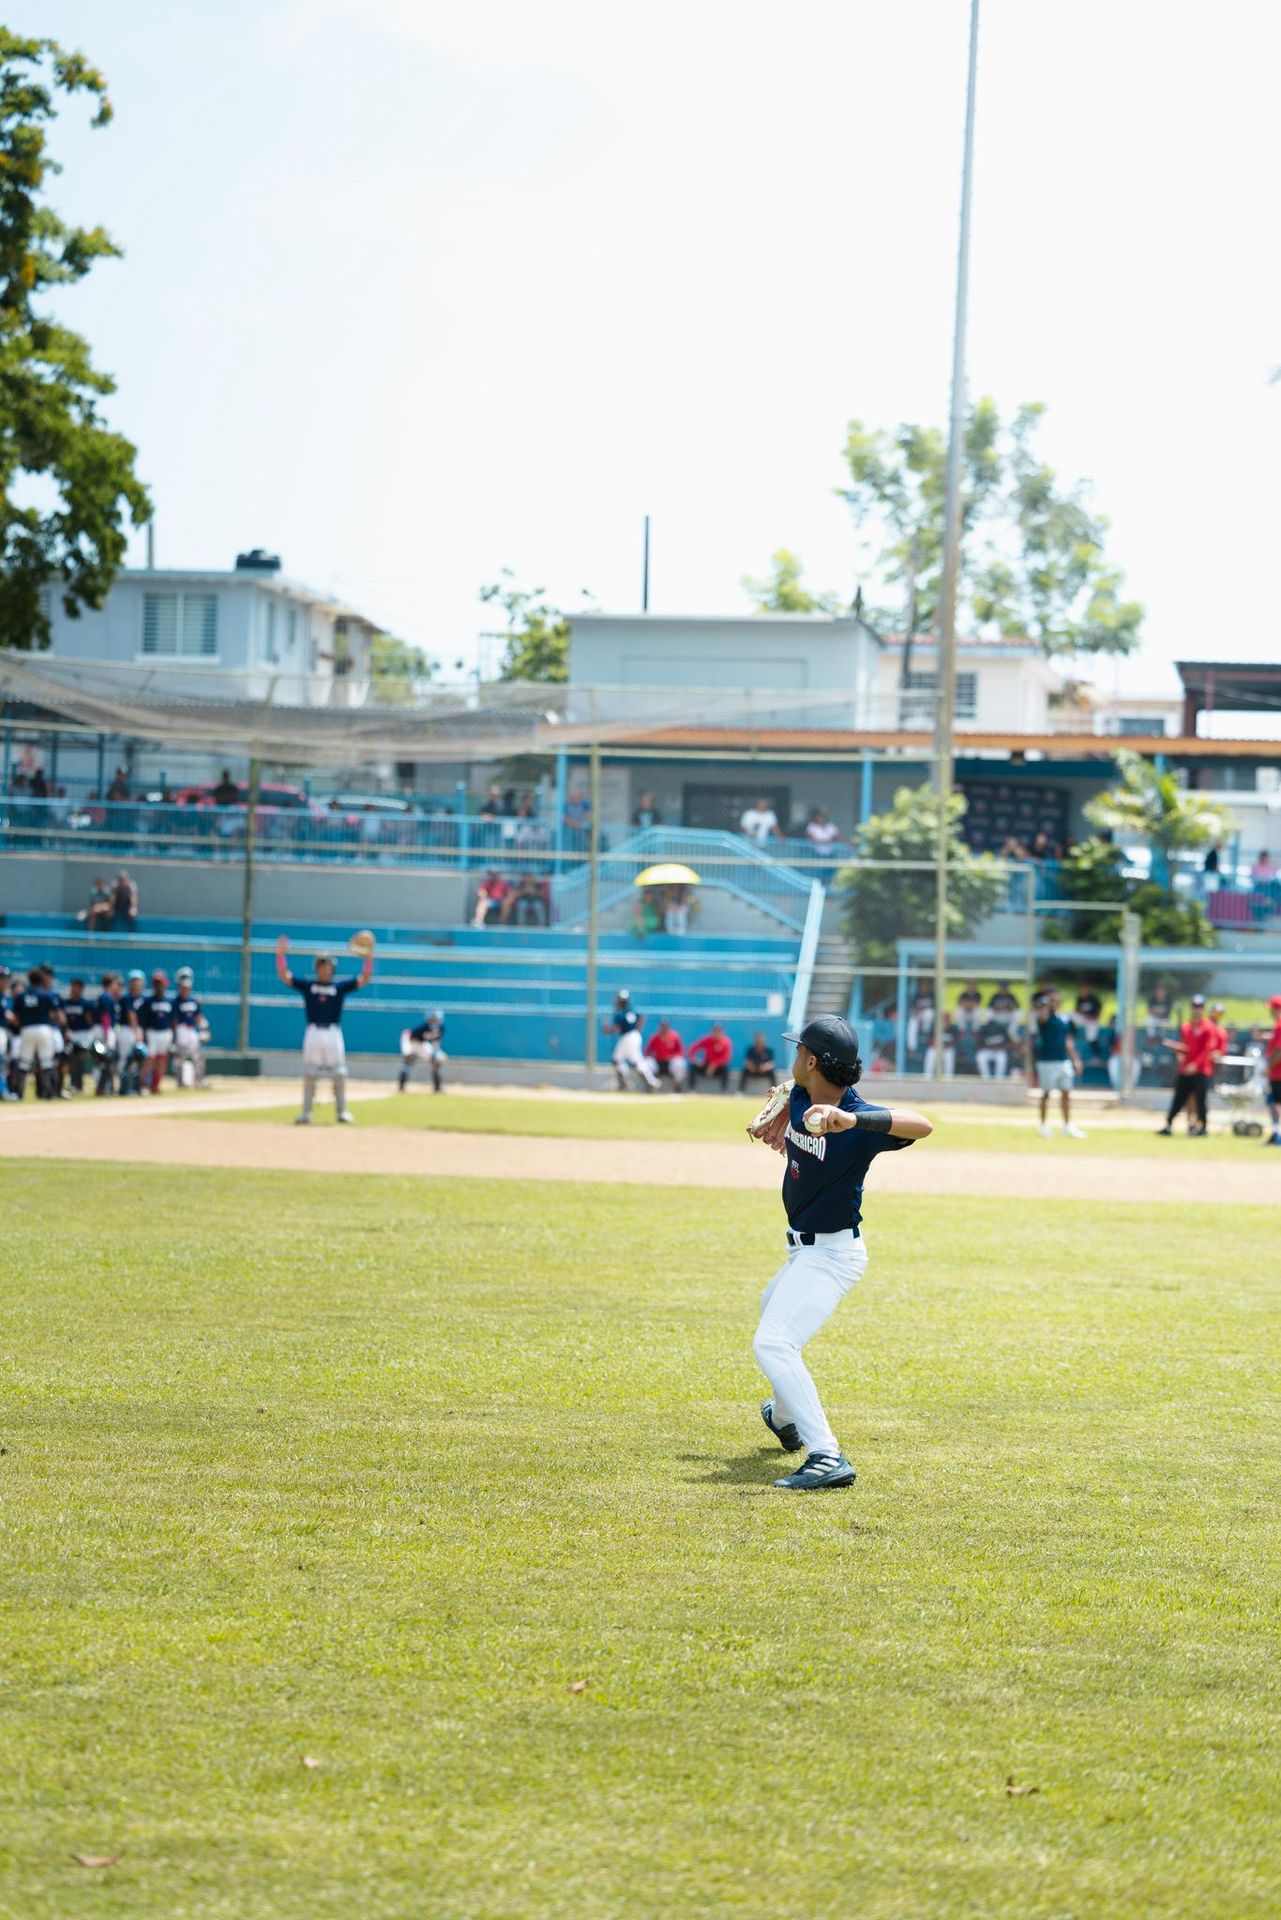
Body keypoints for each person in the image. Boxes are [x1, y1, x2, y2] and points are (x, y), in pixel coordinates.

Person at [745, 1014, 932, 1491]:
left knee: (773, 1342)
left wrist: (854, 1120)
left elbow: (923, 1124)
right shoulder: (801, 1093)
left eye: (799, 1051)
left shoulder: (855, 1117)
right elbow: (790, 1089)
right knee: (771, 1311)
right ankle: (783, 1417)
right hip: (800, 1252)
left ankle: (826, 1455)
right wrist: (781, 1101)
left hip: (833, 1255)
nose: (794, 1058)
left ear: (812, 1061)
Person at [276, 934, 375, 1124]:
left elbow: (365, 978)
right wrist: (280, 955)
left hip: (333, 1032)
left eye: (327, 965)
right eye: (321, 965)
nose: (324, 969)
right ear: (316, 968)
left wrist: (368, 958)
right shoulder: (309, 986)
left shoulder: (339, 987)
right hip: (313, 1031)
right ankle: (306, 1113)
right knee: (310, 1073)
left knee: (339, 1072)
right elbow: (285, 977)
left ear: (333, 968)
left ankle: (342, 1112)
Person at [1158, 995, 1224, 1137]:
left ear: (1203, 1008)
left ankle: (1203, 1127)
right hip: (1185, 1069)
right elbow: (1185, 1047)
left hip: (1201, 1070)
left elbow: (1207, 1049)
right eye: (1195, 1006)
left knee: (1200, 1100)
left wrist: (1195, 1064)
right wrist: (1176, 1049)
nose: (1197, 1009)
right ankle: (1169, 1124)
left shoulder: (1208, 1027)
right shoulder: (1186, 1027)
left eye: (1199, 1007)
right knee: (1179, 1098)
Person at [1028, 987, 1085, 1138]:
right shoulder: (1044, 1017)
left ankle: (1067, 1126)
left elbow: (1068, 1040)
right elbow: (1042, 1016)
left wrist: (1075, 1059)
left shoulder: (1064, 1018)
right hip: (1047, 1061)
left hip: (1063, 1060)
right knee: (1046, 1094)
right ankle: (1043, 1126)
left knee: (1066, 1093)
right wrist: (1043, 1005)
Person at [9, 964, 64, 1100]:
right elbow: (58, 1014)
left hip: (27, 1029)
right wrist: (61, 1022)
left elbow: (15, 1017)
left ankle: (18, 1093)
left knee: (24, 1063)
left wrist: (22, 1025)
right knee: (47, 1062)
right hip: (44, 1029)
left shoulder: (22, 996)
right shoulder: (46, 994)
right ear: (41, 980)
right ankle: (50, 1093)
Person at [604, 989, 658, 1091]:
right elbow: (641, 1018)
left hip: (627, 1037)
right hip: (635, 1036)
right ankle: (649, 1082)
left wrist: (608, 1030)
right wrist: (637, 1029)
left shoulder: (620, 1013)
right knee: (630, 1060)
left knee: (620, 1059)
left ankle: (627, 1083)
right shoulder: (631, 1011)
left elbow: (618, 1028)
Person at [172, 967, 211, 1088]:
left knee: (198, 1055)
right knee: (180, 1055)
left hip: (192, 1030)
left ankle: (199, 1080)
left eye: (187, 988)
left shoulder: (193, 1000)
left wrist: (205, 1028)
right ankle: (180, 1081)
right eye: (183, 987)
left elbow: (199, 1016)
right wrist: (174, 1036)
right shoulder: (176, 1002)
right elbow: (174, 1020)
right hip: (181, 1029)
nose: (185, 990)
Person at [58, 977, 98, 1094]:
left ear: (81, 989)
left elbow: (90, 1019)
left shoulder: (85, 1003)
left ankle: (78, 1084)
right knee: (70, 1059)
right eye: (72, 987)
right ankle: (73, 1083)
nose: (73, 990)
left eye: (76, 988)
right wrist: (66, 1030)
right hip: (70, 1033)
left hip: (83, 1033)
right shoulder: (66, 1003)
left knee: (80, 1059)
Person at [140, 970, 176, 1095]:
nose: (158, 986)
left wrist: (174, 1037)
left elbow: (173, 1020)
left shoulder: (170, 1001)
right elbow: (143, 1021)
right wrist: (144, 1035)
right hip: (152, 1032)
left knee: (162, 1059)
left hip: (165, 1033)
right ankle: (142, 1083)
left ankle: (155, 1085)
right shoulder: (148, 1002)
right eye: (156, 984)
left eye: (160, 984)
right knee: (149, 1059)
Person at [116, 969, 148, 1095]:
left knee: (137, 1058)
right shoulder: (127, 998)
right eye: (134, 981)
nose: (137, 983)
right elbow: (131, 1015)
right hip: (127, 1030)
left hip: (137, 1030)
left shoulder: (143, 999)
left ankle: (135, 1086)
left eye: (139, 981)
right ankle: (124, 1087)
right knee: (125, 1058)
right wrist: (137, 1033)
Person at [399, 1009, 446, 1093]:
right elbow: (409, 1036)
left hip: (422, 1043)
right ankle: (401, 1087)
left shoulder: (441, 1028)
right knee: (409, 1059)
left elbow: (436, 1042)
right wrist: (408, 1050)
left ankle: (437, 1088)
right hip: (410, 1040)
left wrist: (434, 1054)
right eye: (432, 1019)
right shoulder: (424, 1028)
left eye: (436, 1019)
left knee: (437, 1060)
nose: (434, 1021)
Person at [644, 1018, 688, 1091]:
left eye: (665, 1026)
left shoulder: (675, 1036)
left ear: (668, 1026)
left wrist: (672, 1057)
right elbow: (647, 1052)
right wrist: (654, 1057)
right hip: (658, 1063)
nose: (664, 1028)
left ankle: (677, 1087)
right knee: (647, 1062)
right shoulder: (655, 1037)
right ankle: (651, 1085)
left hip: (670, 1063)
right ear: (660, 1026)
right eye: (662, 1026)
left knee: (680, 1063)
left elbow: (680, 1052)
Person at [688, 1021, 733, 1091]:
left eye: (719, 1031)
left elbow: (726, 1057)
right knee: (693, 1067)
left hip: (718, 1067)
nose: (716, 1033)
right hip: (706, 1066)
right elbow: (693, 1049)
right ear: (712, 1031)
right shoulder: (707, 1039)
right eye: (715, 1030)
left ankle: (724, 1090)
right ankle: (691, 1089)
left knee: (725, 1068)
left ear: (722, 1032)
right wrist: (695, 1060)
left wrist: (714, 1064)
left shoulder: (726, 1042)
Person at [1264, 993, 1281, 1146]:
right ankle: (1276, 1133)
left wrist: (1268, 1067)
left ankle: (1277, 1134)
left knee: (1275, 1103)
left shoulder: (1279, 1025)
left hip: (1278, 1073)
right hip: (1276, 1073)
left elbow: (1279, 1051)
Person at [975, 1015, 1011, 1081]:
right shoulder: (984, 1029)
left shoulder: (1001, 1029)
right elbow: (979, 1043)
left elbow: (1008, 1042)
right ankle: (985, 1078)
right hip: (987, 1050)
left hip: (999, 1051)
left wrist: (1000, 1047)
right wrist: (989, 1047)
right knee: (980, 1057)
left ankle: (999, 1079)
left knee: (1002, 1058)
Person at [1074, 983, 1103, 1055]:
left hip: (1092, 1020)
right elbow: (1076, 1011)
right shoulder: (1080, 999)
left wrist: (1090, 1017)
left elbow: (1098, 1012)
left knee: (1091, 1036)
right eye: (1082, 989)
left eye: (1085, 989)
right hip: (1083, 1018)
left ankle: (1096, 1053)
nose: (1084, 991)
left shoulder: (1094, 999)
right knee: (1071, 1017)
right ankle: (1072, 1034)